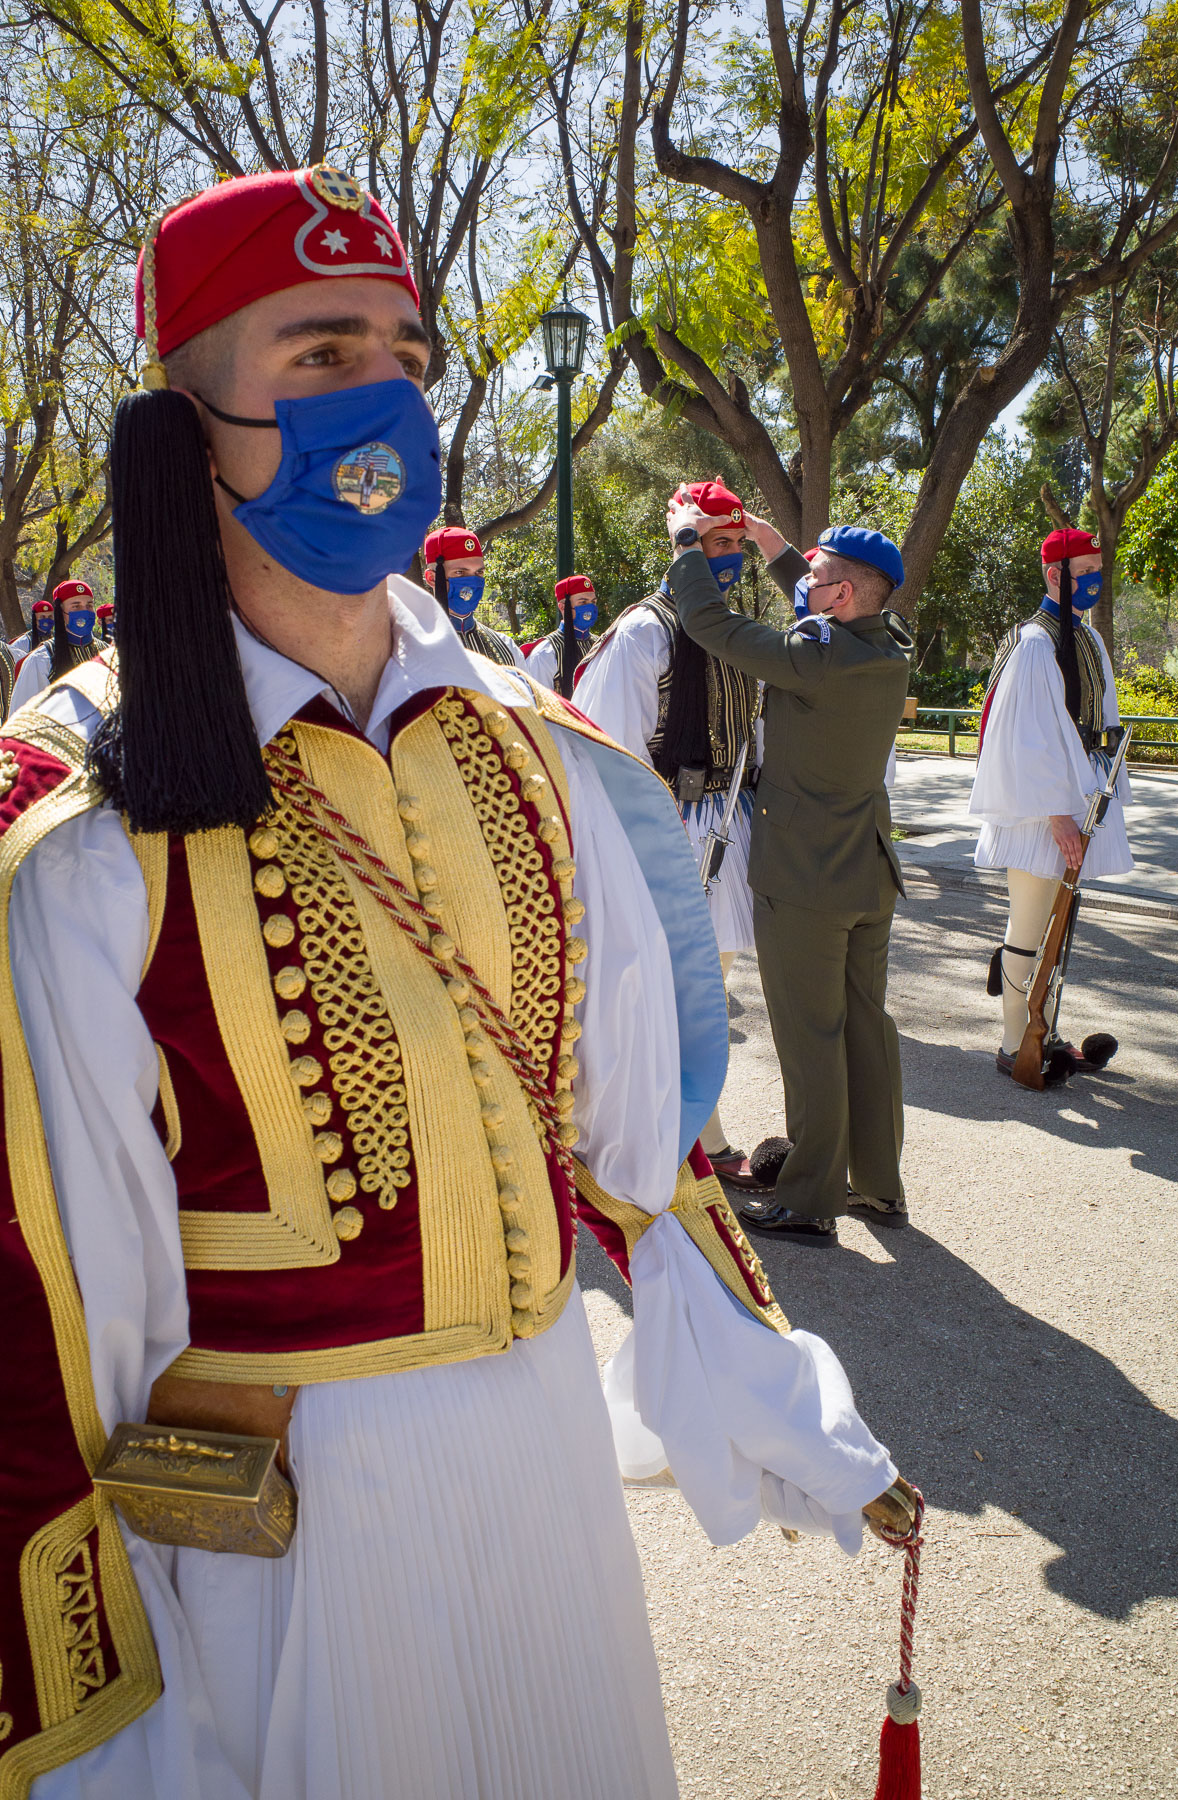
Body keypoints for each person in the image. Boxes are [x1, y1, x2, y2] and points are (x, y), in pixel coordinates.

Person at [0, 165, 914, 1800]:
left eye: (406, 354)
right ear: (187, 415)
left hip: (539, 1473)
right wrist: (115, 1727)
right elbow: (61, 1329)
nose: (385, 398)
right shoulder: (74, 827)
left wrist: (792, 1411)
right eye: (320, 350)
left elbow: (639, 1155)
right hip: (283, 1560)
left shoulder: (531, 750)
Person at [664, 508, 914, 1245]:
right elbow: (825, 604)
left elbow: (714, 626)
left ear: (839, 597)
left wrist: (687, 544)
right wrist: (778, 549)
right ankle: (878, 1186)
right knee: (867, 1029)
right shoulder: (887, 643)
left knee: (812, 1037)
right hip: (866, 873)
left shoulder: (818, 656)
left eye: (816, 575)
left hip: (807, 878)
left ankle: (807, 1199)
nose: (804, 579)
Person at [578, 480, 803, 1192]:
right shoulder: (647, 629)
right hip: (664, 823)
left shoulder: (733, 630)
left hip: (727, 825)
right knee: (662, 991)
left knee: (709, 986)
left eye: (736, 544)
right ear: (685, 547)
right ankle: (686, 1135)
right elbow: (607, 742)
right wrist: (647, 837)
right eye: (717, 544)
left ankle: (686, 1127)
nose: (729, 558)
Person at [969, 525, 1131, 1078]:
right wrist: (1058, 814)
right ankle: (1016, 1040)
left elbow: (1098, 725)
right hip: (1040, 811)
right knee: (1031, 920)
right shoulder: (1035, 642)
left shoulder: (1087, 638)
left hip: (1077, 799)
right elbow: (1026, 737)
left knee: (1059, 922)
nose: (1093, 581)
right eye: (1083, 573)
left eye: (1096, 571)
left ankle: (1047, 1027)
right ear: (1053, 575)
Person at [422, 523, 526, 667]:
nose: (472, 582)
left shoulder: (507, 648)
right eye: (460, 572)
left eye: (479, 573)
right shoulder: (409, 645)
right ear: (431, 578)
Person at [10, 578, 98, 709]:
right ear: (60, 613)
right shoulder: (41, 660)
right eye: (76, 606)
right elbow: (23, 716)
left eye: (89, 605)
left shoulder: (106, 652)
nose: (84, 611)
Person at [524, 574, 601, 693]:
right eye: (583, 602)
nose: (590, 607)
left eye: (593, 602)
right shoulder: (546, 653)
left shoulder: (600, 645)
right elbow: (540, 703)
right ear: (562, 607)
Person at [9, 596, 54, 663]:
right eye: (42, 617)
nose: (46, 620)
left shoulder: (57, 637)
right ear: (35, 619)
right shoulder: (23, 642)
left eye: (50, 616)